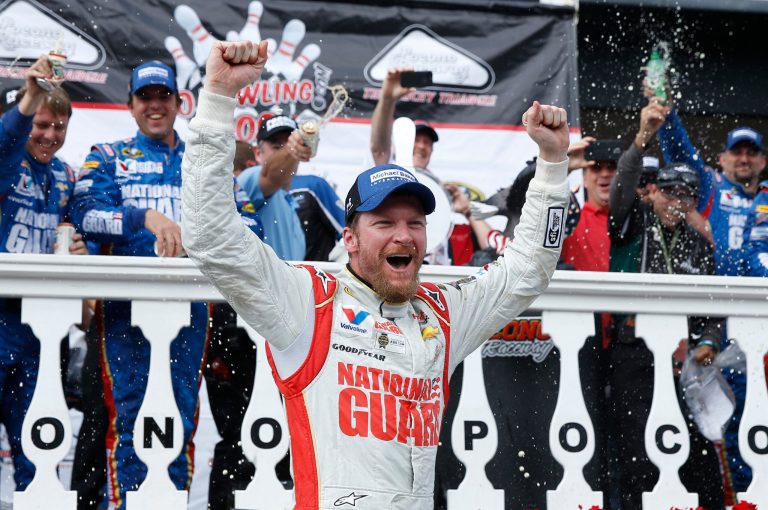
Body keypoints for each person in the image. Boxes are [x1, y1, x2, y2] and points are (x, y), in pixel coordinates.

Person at [181, 40, 569, 509]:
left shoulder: (444, 315)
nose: (403, 236)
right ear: (350, 238)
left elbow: (529, 269)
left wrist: (551, 165)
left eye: (414, 223)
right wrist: (219, 97)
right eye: (383, 223)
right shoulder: (309, 302)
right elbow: (207, 235)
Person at [69, 61, 208, 510]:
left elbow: (246, 225)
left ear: (178, 102)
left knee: (180, 419)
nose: (155, 105)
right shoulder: (107, 155)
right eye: (144, 97)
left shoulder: (203, 162)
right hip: (124, 311)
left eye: (162, 96)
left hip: (189, 310)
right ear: (130, 105)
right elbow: (86, 215)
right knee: (127, 418)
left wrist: (201, 237)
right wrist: (144, 218)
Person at [609, 110, 725, 507]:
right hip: (633, 353)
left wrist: (709, 339)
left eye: (687, 196)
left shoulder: (698, 242)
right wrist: (642, 139)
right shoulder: (631, 220)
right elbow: (622, 185)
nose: (678, 202)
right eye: (671, 193)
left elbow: (711, 308)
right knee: (638, 452)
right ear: (655, 191)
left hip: (683, 363)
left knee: (695, 455)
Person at [657, 109, 765, 495]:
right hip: (722, 327)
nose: (744, 159)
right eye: (737, 152)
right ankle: (742, 500)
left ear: (763, 161)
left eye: (752, 153)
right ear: (722, 159)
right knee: (729, 423)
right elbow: (678, 152)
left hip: (764, 324)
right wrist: (666, 114)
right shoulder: (712, 190)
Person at [0, 55, 87, 491]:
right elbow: (5, 140)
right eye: (42, 124)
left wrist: (81, 247)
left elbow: (87, 224)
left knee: (39, 455)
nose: (50, 136)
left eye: (60, 127)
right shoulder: (6, 162)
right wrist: (29, 95)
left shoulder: (67, 177)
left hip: (39, 334)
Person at [369, 67, 492, 265]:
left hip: (435, 276)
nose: (422, 146)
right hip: (394, 266)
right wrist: (388, 99)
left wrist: (467, 210)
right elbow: (378, 147)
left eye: (428, 142)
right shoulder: (389, 174)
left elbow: (492, 248)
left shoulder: (441, 192)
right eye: (416, 139)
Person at [237, 113, 308, 260]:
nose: (286, 153)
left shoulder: (287, 199)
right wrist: (291, 149)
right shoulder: (249, 178)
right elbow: (272, 175)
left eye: (290, 144)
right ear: (257, 153)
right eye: (277, 147)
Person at [290, 173, 345, 261]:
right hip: (277, 271)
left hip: (316, 270)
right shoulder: (261, 194)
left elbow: (348, 232)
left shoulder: (312, 185)